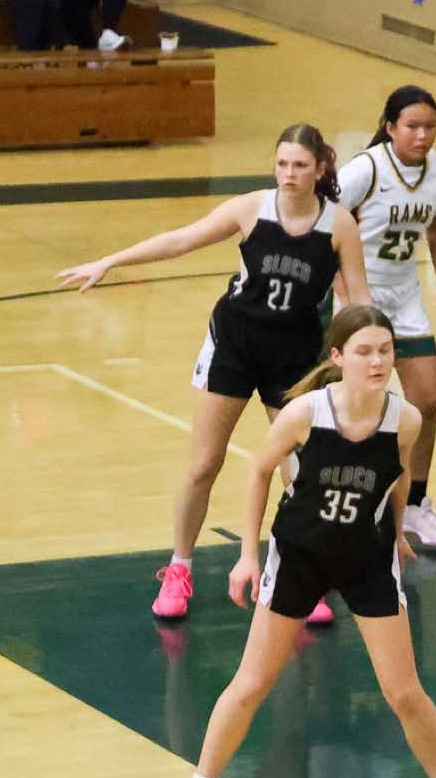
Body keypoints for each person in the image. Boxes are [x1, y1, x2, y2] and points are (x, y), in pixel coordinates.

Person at [164, 306, 436, 778]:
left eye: (385, 351)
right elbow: (259, 469)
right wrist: (247, 554)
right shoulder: (306, 413)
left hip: (366, 559)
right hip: (299, 557)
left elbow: (399, 474)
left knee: (404, 693)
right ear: (338, 357)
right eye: (364, 351)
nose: (377, 361)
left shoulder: (405, 420)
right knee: (251, 684)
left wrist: (398, 530)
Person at [58, 124, 371, 624]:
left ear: (319, 168)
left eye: (299, 165)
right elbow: (182, 239)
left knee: (301, 471)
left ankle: (298, 574)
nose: (288, 174)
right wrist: (112, 261)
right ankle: (179, 568)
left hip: (295, 357)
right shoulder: (252, 209)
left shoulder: (339, 225)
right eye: (282, 164)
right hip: (235, 346)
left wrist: (368, 356)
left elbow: (359, 298)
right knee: (204, 463)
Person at [335, 85, 436, 550]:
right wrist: (346, 294)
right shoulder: (365, 169)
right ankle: (350, 502)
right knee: (358, 404)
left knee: (427, 399)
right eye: (412, 126)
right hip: (360, 291)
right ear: (390, 128)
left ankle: (416, 505)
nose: (422, 136)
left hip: (404, 294)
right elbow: (326, 226)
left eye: (430, 127)